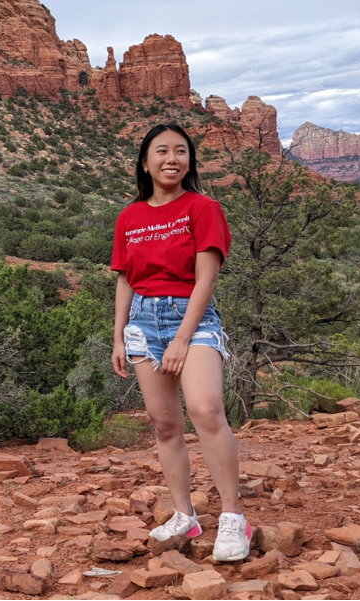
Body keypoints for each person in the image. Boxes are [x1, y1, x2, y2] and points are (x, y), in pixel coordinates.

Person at [110, 123, 250, 562]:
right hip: (142, 322)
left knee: (206, 409)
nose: (172, 159)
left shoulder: (203, 207)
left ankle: (232, 516)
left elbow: (207, 277)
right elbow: (125, 279)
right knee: (165, 423)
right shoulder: (130, 216)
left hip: (191, 315)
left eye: (181, 151)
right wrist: (118, 336)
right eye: (162, 151)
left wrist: (182, 339)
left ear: (190, 160)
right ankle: (185, 514)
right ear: (145, 161)